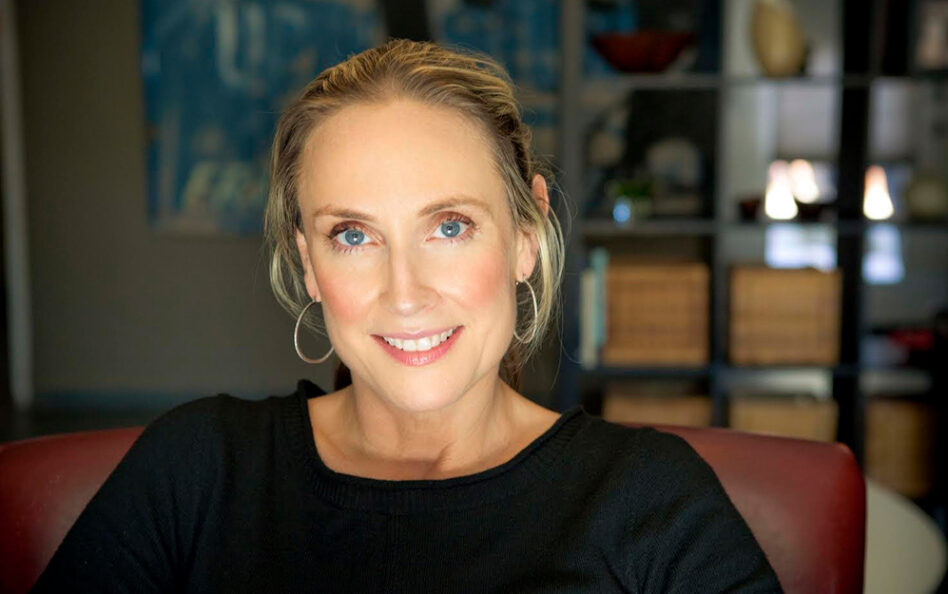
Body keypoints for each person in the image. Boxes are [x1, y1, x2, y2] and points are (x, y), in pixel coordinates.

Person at [32, 39, 781, 593]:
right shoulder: (196, 470)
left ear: (526, 236)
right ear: (308, 262)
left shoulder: (649, 497)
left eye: (449, 226)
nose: (405, 293)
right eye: (353, 236)